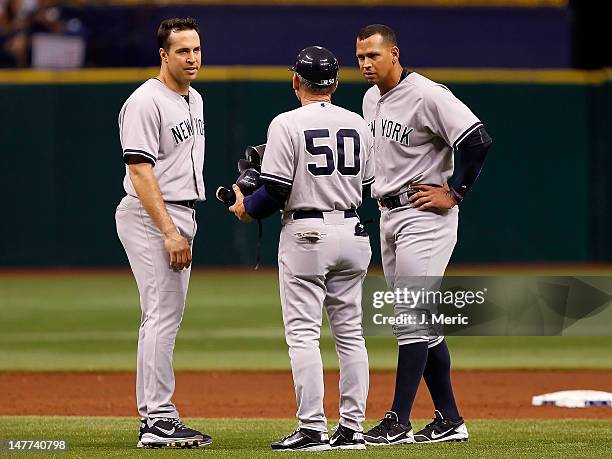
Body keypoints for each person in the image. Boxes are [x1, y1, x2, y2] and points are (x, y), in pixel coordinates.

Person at [229, 46, 374, 452]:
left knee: (304, 337)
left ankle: (312, 429)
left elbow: (273, 190)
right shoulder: (358, 122)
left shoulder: (286, 123)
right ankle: (353, 429)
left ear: (296, 82)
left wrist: (245, 208)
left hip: (306, 233)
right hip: (353, 230)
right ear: (335, 83)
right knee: (351, 335)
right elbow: (367, 183)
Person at [356, 24, 492, 445]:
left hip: (424, 218)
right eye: (360, 57)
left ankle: (398, 419)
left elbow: (477, 140)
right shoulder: (369, 98)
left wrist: (455, 192)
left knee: (410, 319)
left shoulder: (428, 94)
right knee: (423, 326)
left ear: (394, 53)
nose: (365, 64)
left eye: (373, 56)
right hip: (389, 215)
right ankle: (450, 420)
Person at [115, 17, 211, 449]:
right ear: (163, 55)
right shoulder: (145, 101)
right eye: (182, 51)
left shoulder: (195, 99)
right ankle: (156, 419)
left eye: (196, 49)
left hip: (180, 213)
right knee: (161, 315)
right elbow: (139, 170)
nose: (191, 58)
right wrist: (170, 232)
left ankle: (159, 415)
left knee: (165, 315)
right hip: (152, 216)